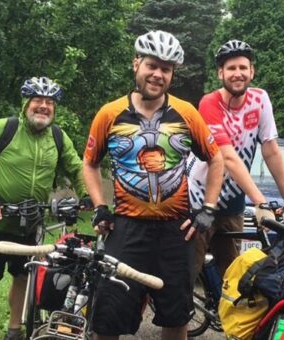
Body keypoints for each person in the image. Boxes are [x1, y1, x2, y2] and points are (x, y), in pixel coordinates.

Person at [82, 30, 224, 340]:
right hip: (127, 228)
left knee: (175, 316)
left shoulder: (187, 113)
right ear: (136, 64)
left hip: (176, 230)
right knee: (108, 316)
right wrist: (100, 206)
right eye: (152, 65)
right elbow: (90, 163)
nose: (158, 74)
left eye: (166, 69)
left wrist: (208, 209)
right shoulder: (109, 113)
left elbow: (216, 159)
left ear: (172, 73)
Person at [0, 77, 90, 340]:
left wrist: (85, 195)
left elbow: (77, 167)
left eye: (49, 102)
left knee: (23, 276)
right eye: (37, 100)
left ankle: (14, 330)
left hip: (30, 224)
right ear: (26, 104)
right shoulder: (4, 128)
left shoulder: (57, 137)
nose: (43, 106)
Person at [187, 39, 284, 275]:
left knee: (235, 278)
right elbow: (228, 158)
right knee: (186, 276)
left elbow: (270, 148)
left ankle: (219, 309)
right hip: (198, 201)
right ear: (220, 73)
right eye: (231, 68)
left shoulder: (260, 99)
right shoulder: (209, 103)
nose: (237, 74)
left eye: (243, 68)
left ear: (252, 71)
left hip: (233, 205)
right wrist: (261, 202)